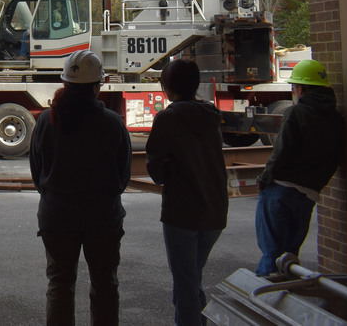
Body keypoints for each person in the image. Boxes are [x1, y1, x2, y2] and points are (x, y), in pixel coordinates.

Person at [28, 49, 131, 326]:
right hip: (103, 219)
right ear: (98, 86)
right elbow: (123, 175)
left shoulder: (46, 122)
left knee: (60, 285)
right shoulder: (112, 123)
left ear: (65, 83)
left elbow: (37, 172)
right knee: (105, 285)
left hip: (57, 217)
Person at [145, 59, 228, 326]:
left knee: (185, 284)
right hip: (215, 211)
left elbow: (156, 171)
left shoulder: (167, 118)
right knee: (192, 277)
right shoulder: (211, 116)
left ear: (167, 87)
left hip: (182, 214)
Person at [255, 58, 345, 276]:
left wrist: (265, 178)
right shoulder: (336, 120)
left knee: (272, 257)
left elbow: (281, 152)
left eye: (294, 87)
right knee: (289, 258)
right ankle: (287, 304)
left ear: (301, 89)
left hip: (280, 191)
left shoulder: (296, 114)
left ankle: (265, 304)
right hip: (308, 196)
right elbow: (334, 158)